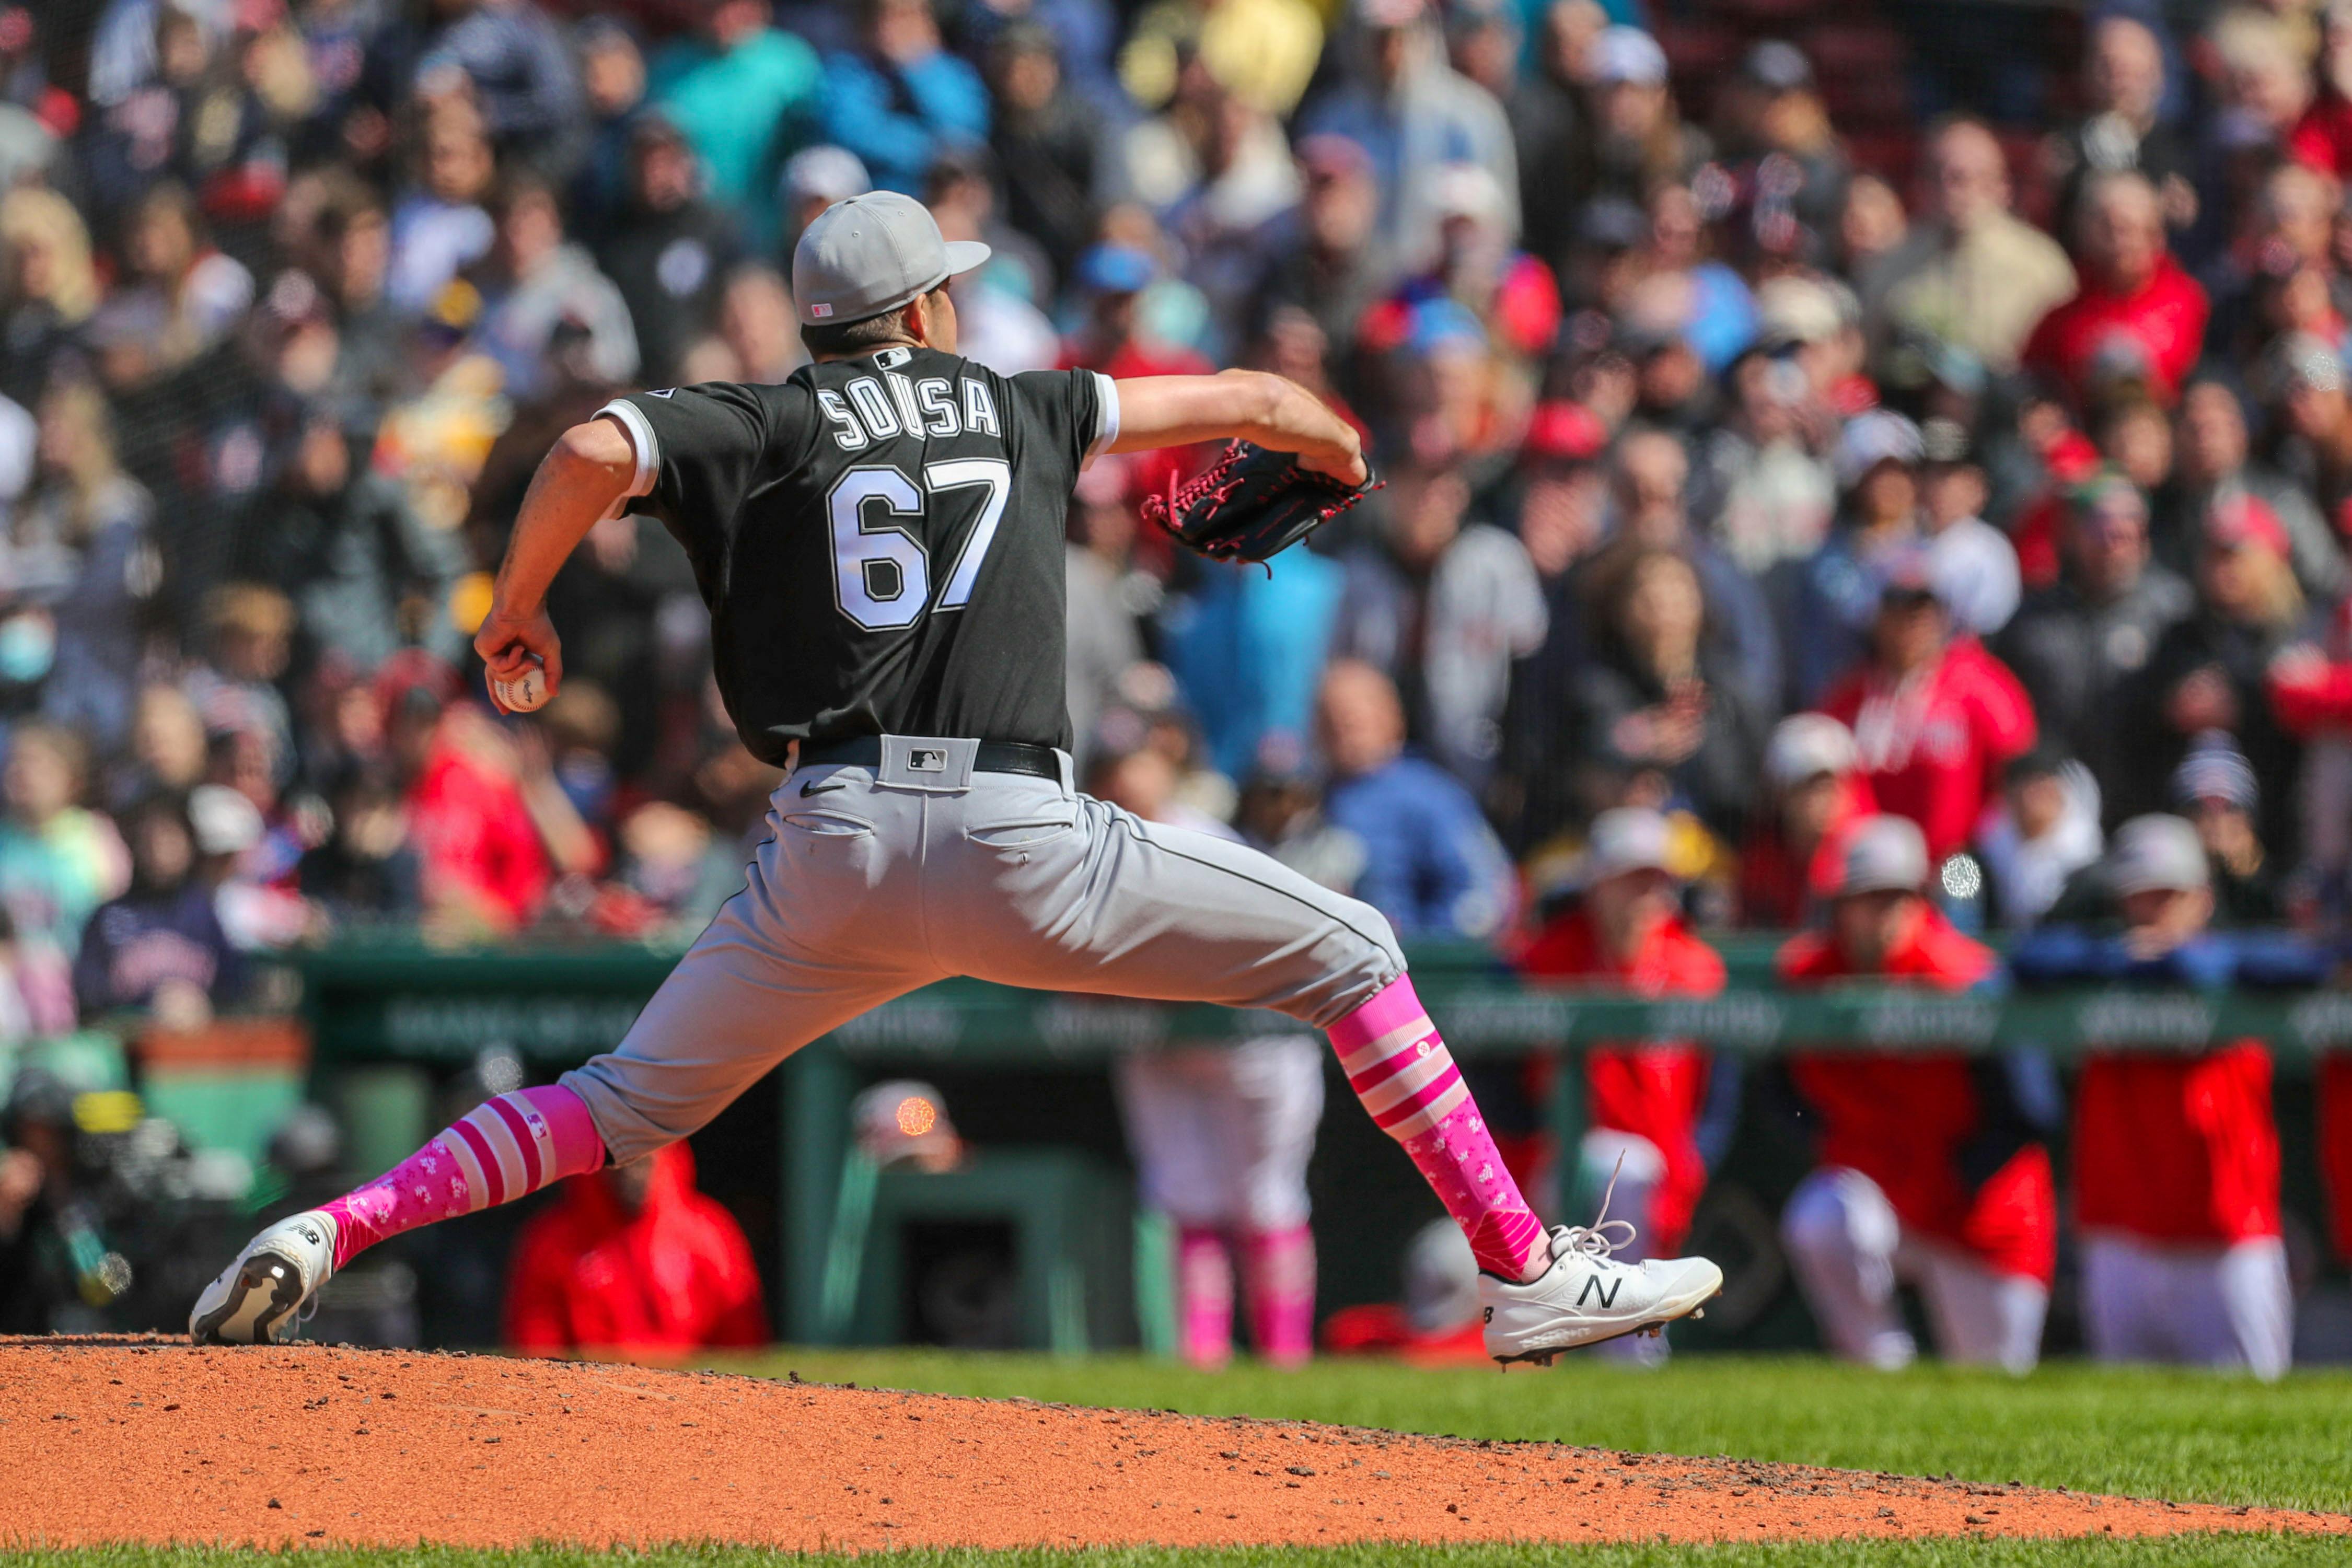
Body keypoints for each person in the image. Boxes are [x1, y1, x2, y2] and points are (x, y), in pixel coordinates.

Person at [193, 191, 1722, 1362]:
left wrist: (513, 605)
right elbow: (1267, 402)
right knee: (1358, 956)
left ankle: (337, 1225)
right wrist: (1334, 449)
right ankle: (1523, 1273)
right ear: (924, 310)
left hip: (831, 846)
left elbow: (597, 444)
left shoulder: (774, 416)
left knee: (609, 1105)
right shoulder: (1026, 398)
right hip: (1019, 840)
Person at [2012, 815, 2304, 1380]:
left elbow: (2292, 961)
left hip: (2225, 1232)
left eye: (2167, 896)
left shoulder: (2238, 966)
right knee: (2123, 1417)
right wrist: (2124, 958)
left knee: (2248, 1416)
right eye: (2140, 898)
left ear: (2202, 897)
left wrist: (2161, 960)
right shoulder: (2096, 965)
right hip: (2121, 1231)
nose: (2153, 912)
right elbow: (2028, 959)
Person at [1777, 816, 2057, 1374]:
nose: (1882, 914)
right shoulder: (1809, 976)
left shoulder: (1966, 977)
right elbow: (1779, 1091)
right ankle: (1880, 1370)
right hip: (1884, 1196)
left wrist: (1955, 1176)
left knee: (1994, 1398)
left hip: (1980, 1215)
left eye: (1896, 896)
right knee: (1819, 1216)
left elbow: (2032, 1108)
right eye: (1868, 897)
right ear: (1842, 903)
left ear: (1922, 899)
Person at [1096, 742, 1326, 1370]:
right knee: (1186, 1198)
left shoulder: (1202, 838)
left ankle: (1285, 1361)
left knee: (1267, 1200)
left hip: (1253, 1037)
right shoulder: (1087, 837)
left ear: (1166, 766)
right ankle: (1205, 1363)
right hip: (1160, 1043)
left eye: (1134, 760)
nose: (1123, 775)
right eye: (1110, 766)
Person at [1516, 806, 1726, 1357]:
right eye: (1628, 880)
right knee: (1617, 1162)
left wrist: (1696, 1157)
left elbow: (1717, 1097)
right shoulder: (1551, 956)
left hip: (1663, 1167)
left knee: (1629, 1165)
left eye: (1655, 881)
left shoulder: (1692, 967)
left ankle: (1630, 1353)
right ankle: (1616, 1350)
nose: (1644, 895)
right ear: (1596, 885)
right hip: (1554, 1161)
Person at [1818, 566, 2038, 866]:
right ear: (1878, 619)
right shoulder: (1849, 697)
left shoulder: (1981, 686)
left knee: (1962, 900)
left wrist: (1980, 842)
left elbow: (2020, 769)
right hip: (1872, 868)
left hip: (1958, 859)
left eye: (1922, 613)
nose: (1911, 625)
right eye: (1898, 612)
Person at [503, 1142, 768, 1358]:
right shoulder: (553, 1239)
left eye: (642, 1163)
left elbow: (740, 1339)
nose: (632, 1176)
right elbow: (536, 1340)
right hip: (590, 1397)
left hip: (692, 1394)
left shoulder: (708, 1232)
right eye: (619, 1167)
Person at [2020, 170, 2208, 409]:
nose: (2119, 242)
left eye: (2128, 229)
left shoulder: (2190, 302)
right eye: (2107, 229)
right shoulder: (2063, 317)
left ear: (2155, 234)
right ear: (2084, 233)